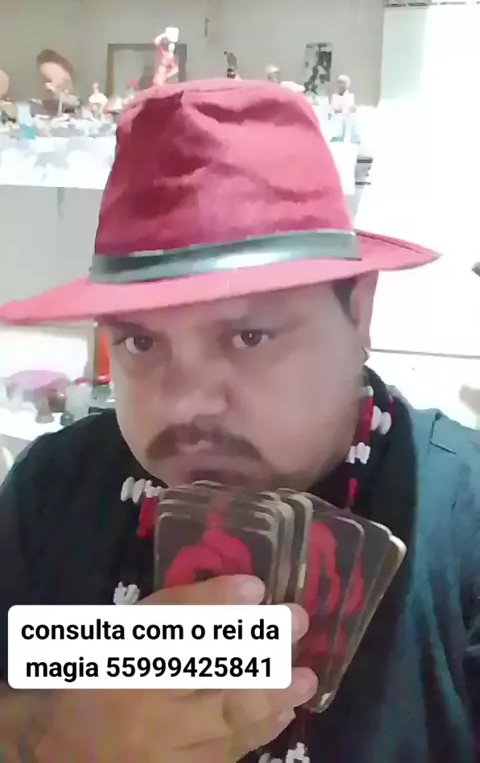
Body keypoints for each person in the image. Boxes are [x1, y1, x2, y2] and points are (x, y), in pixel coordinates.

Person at [0, 78, 478, 763]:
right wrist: (40, 734)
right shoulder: (52, 488)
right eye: (140, 342)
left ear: (359, 312)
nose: (182, 404)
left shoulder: (463, 527)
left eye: (249, 336)